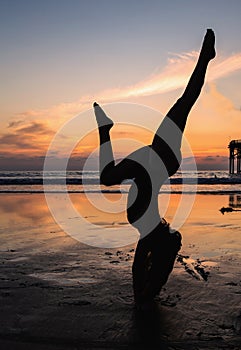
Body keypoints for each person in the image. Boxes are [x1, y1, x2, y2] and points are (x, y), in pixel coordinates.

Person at [93, 29, 216, 308]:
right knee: (184, 103)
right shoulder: (152, 233)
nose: (175, 234)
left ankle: (105, 130)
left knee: (109, 176)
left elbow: (141, 269)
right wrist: (147, 291)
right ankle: (205, 59)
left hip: (157, 163)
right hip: (157, 164)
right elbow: (144, 269)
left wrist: (144, 294)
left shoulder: (150, 236)